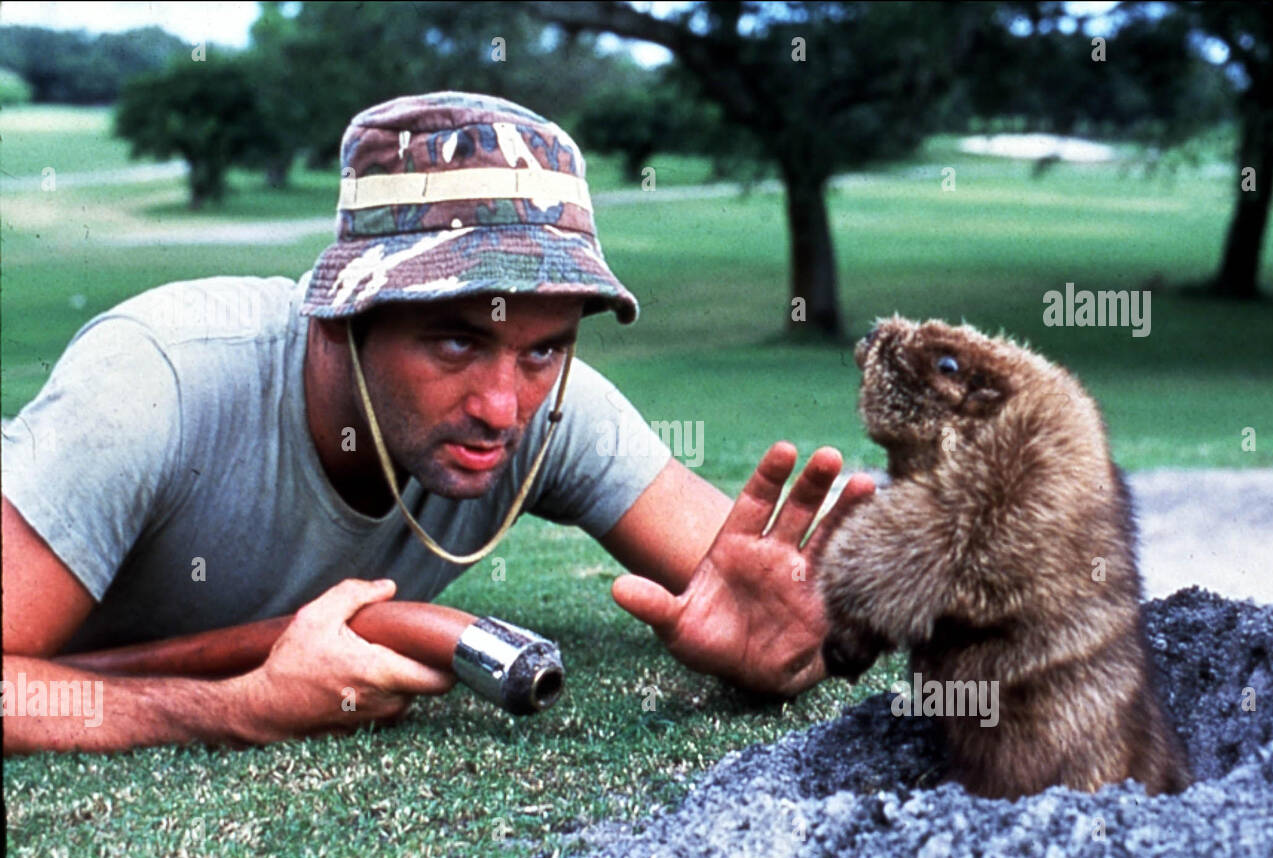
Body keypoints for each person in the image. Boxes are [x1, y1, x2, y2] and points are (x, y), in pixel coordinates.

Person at [1, 92, 874, 754]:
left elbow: (744, 580)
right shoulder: (154, 383)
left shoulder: (550, 404)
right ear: (343, 314)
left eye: (544, 350)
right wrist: (233, 710)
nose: (503, 408)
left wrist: (794, 641)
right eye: (455, 342)